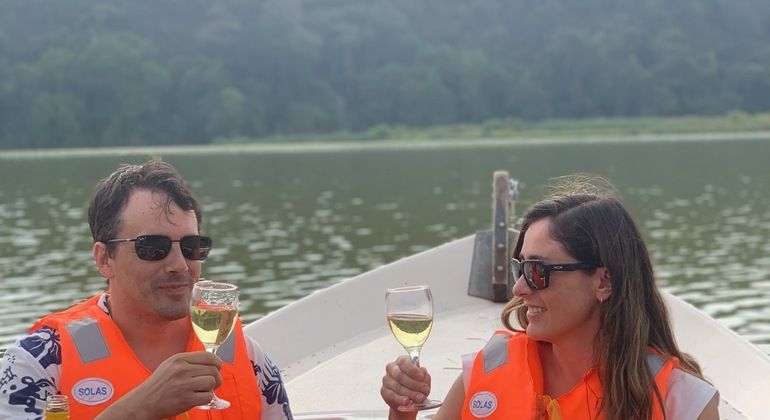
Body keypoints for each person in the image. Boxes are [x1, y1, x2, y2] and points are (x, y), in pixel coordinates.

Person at [381, 175, 719, 419]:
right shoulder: (486, 369)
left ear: (603, 282)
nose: (519, 289)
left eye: (538, 272)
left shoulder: (681, 402)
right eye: (521, 269)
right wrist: (402, 409)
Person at [0, 159, 293, 419]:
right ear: (104, 259)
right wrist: (137, 411)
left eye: (192, 247)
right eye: (153, 247)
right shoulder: (42, 360)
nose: (180, 264)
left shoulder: (246, 356)